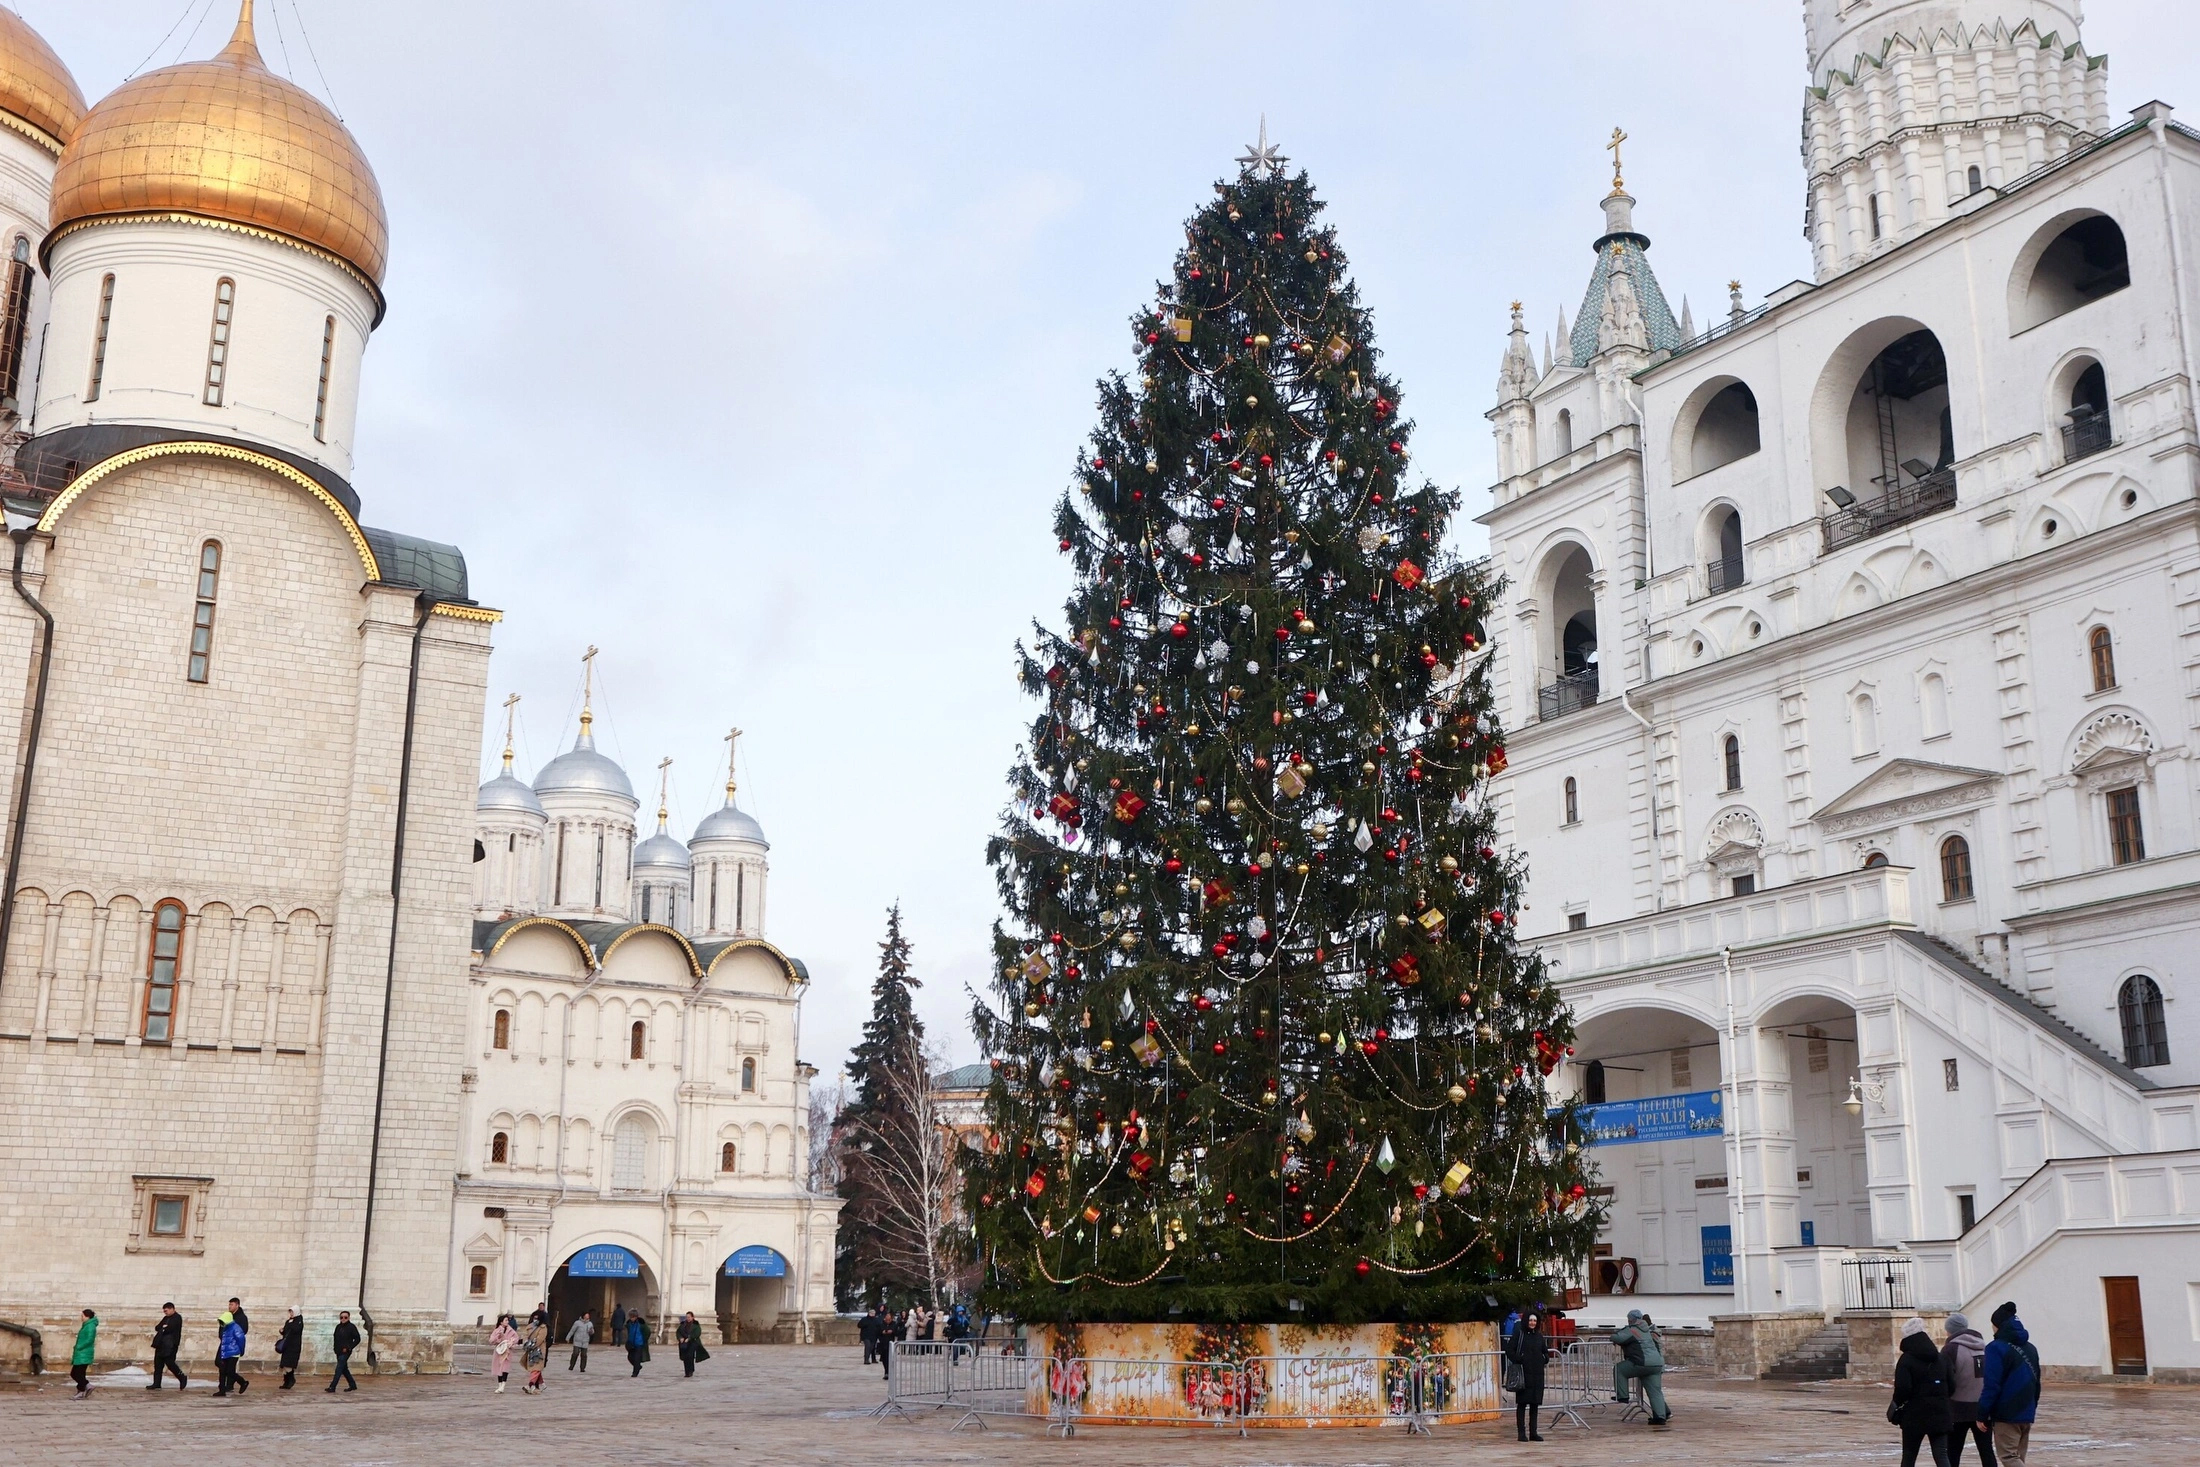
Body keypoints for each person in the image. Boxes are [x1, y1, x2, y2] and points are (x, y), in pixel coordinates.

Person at [1977, 1302, 2041, 1467]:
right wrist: (2031, 1406)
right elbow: (2037, 1383)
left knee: (2009, 1457)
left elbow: (1992, 1385)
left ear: (1997, 1326)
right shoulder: (2031, 1348)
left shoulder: (1995, 1348)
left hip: (2006, 1413)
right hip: (2026, 1411)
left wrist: (1982, 1414)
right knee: (2019, 1457)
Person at [1891, 1317, 1954, 1467]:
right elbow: (1951, 1386)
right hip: (1940, 1411)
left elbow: (1903, 1389)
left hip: (1914, 1414)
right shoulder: (1941, 1358)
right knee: (1941, 1455)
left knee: (1909, 1456)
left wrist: (1897, 1404)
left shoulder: (1906, 1360)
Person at [1940, 1313, 1996, 1467]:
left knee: (1953, 1452)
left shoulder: (1950, 1349)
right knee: (1986, 1451)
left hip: (1958, 1409)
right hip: (1983, 1407)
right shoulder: (1984, 1346)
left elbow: (1945, 1379)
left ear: (1949, 1330)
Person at [1611, 1308, 1669, 1425]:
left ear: (1630, 1320)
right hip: (1657, 1363)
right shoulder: (1648, 1329)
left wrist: (1612, 1337)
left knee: (1619, 1369)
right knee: (1655, 1391)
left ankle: (1623, 1396)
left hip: (1642, 1362)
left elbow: (1618, 1337)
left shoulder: (1632, 1329)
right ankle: (1660, 1417)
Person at [1505, 1308, 1548, 1442]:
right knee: (1522, 1404)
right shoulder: (1519, 1334)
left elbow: (1545, 1353)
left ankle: (1533, 1432)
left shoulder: (1539, 1336)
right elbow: (1509, 1350)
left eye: (1535, 1320)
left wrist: (1544, 1358)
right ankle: (1521, 1433)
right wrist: (1520, 1359)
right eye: (1530, 1320)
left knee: (1535, 1404)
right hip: (1524, 1374)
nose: (1533, 1323)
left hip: (1537, 1375)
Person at [148, 1303, 187, 1391]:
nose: (165, 1312)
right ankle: (156, 1383)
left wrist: (164, 1328)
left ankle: (182, 1377)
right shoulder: (166, 1318)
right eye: (164, 1311)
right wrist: (163, 1327)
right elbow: (157, 1327)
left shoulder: (177, 1318)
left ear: (172, 1309)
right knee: (158, 1364)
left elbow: (170, 1328)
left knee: (170, 1363)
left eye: (166, 1310)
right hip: (161, 1344)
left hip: (171, 1345)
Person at [215, 1308, 247, 1396]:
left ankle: (243, 1382)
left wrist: (241, 1351)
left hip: (233, 1353)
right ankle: (222, 1390)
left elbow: (241, 1340)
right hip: (225, 1352)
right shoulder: (226, 1327)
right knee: (222, 1370)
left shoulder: (236, 1328)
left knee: (230, 1372)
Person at [328, 1311, 360, 1393]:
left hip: (346, 1351)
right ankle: (352, 1385)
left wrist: (349, 1347)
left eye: (345, 1317)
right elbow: (335, 1338)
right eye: (341, 1317)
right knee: (344, 1369)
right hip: (338, 1351)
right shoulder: (338, 1327)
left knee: (339, 1368)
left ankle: (332, 1386)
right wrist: (335, 1348)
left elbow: (357, 1339)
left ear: (348, 1318)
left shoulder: (351, 1327)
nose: (343, 1319)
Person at [488, 1314, 520, 1393]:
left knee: (505, 1369)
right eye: (505, 1320)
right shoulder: (497, 1330)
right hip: (499, 1351)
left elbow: (516, 1338)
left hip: (507, 1352)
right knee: (499, 1368)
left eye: (507, 1320)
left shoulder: (511, 1330)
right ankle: (499, 1386)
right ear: (501, 1322)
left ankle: (503, 1385)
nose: (507, 1322)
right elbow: (491, 1340)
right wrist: (498, 1337)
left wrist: (511, 1343)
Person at [70, 1309, 97, 1400]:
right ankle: (82, 1390)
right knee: (80, 1373)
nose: (81, 1318)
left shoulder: (90, 1326)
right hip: (81, 1354)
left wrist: (79, 1347)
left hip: (84, 1353)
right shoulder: (87, 1325)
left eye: (82, 1316)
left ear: (87, 1316)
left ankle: (86, 1387)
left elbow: (89, 1340)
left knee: (75, 1373)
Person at [522, 1310, 549, 1393]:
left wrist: (532, 1345)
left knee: (536, 1368)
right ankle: (542, 1384)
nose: (535, 1320)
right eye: (534, 1318)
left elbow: (539, 1339)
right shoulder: (529, 1326)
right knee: (535, 1368)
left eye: (537, 1318)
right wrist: (526, 1343)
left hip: (539, 1351)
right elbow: (525, 1335)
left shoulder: (543, 1328)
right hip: (530, 1350)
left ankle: (530, 1384)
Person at [277, 1308, 305, 1389]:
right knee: (284, 1364)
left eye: (292, 1312)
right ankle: (286, 1382)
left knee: (288, 1364)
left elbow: (296, 1329)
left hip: (294, 1346)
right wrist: (282, 1331)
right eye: (290, 1312)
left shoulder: (299, 1320)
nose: (291, 1313)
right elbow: (286, 1332)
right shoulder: (289, 1320)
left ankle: (291, 1379)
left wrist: (290, 1324)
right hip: (287, 1345)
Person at [676, 1311, 709, 1378]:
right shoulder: (682, 1324)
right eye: (687, 1317)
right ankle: (686, 1371)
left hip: (693, 1343)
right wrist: (680, 1338)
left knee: (690, 1356)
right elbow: (678, 1332)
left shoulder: (696, 1325)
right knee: (685, 1357)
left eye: (689, 1317)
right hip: (684, 1344)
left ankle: (691, 1370)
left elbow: (697, 1333)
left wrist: (690, 1338)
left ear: (692, 1317)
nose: (688, 1318)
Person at [625, 1311, 650, 1377]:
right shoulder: (629, 1324)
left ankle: (635, 1373)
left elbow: (647, 1332)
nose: (631, 1318)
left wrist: (643, 1340)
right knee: (630, 1357)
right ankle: (638, 1366)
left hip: (639, 1344)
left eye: (633, 1317)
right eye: (630, 1317)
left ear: (636, 1317)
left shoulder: (641, 1324)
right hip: (631, 1344)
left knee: (637, 1359)